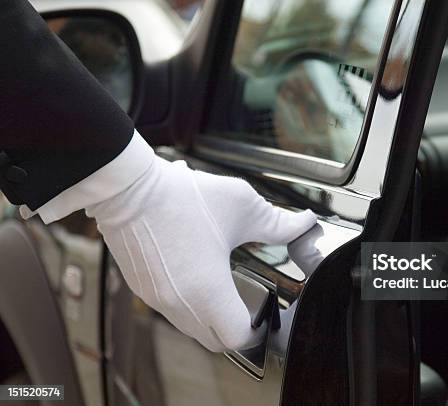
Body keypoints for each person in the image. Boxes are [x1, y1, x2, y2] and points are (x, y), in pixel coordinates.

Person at [0, 0, 316, 352]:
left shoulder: (383, 265)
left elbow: (385, 271)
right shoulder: (385, 265)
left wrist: (135, 194)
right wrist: (134, 193)